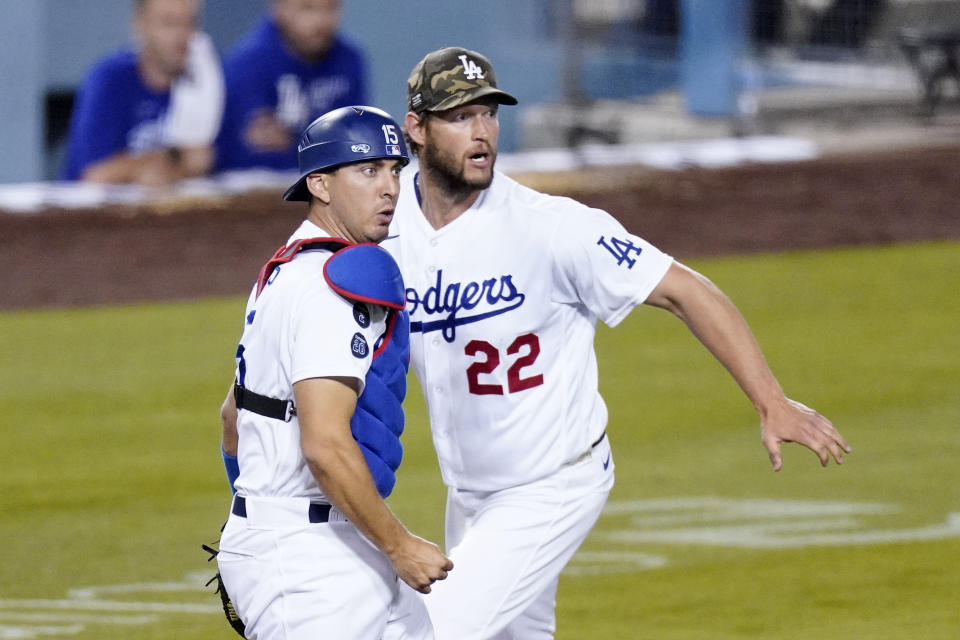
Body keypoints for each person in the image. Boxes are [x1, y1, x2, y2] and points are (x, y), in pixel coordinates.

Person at [385, 47, 853, 639]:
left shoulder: (552, 227)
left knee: (429, 631)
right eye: (459, 116)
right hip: (471, 495)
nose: (481, 132)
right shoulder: (387, 217)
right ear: (417, 128)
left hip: (552, 485)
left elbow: (688, 291)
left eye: (489, 113)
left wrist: (772, 401)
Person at [216, 105, 452, 639]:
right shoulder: (333, 283)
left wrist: (249, 517)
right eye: (368, 170)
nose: (389, 187)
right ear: (319, 185)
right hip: (309, 566)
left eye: (395, 169)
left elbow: (233, 416)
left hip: (329, 537)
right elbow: (323, 442)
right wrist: (399, 545)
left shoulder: (287, 268)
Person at [59, 0, 224, 186]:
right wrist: (175, 158)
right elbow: (97, 175)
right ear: (140, 26)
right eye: (169, 23)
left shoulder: (204, 81)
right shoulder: (110, 79)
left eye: (189, 23)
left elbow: (206, 160)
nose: (181, 35)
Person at [215, 0, 367, 172]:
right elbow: (249, 153)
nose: (321, 20)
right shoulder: (246, 64)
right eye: (307, 8)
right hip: (256, 190)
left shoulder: (349, 60)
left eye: (331, 8)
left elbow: (356, 143)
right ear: (278, 8)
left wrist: (293, 141)